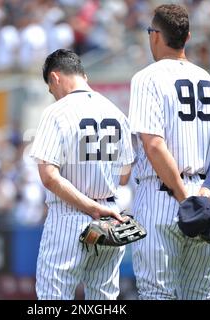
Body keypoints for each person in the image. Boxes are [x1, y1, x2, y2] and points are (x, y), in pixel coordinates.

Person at [128, 4, 210, 300]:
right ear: (187, 37)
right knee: (200, 294)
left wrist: (183, 196)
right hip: (205, 202)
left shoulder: (147, 78)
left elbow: (153, 143)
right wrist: (205, 192)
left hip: (163, 198)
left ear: (154, 36)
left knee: (156, 294)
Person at [30, 49, 135, 300]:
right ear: (83, 75)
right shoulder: (116, 113)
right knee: (103, 300)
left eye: (50, 87)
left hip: (69, 217)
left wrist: (89, 206)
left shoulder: (56, 112)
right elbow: (124, 175)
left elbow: (49, 176)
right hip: (110, 219)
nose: (52, 94)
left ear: (55, 78)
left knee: (53, 300)